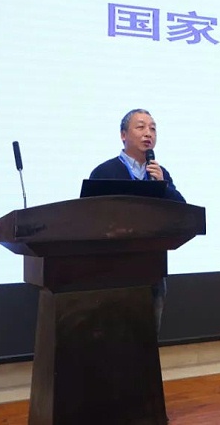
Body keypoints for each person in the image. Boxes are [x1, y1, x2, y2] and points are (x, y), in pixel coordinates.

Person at [89, 108, 185, 334]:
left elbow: (181, 211)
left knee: (148, 338)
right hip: (112, 270)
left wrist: (163, 186)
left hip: (152, 268)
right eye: (141, 127)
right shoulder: (104, 172)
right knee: (114, 336)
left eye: (153, 128)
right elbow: (90, 218)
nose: (148, 133)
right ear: (123, 135)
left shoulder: (160, 174)